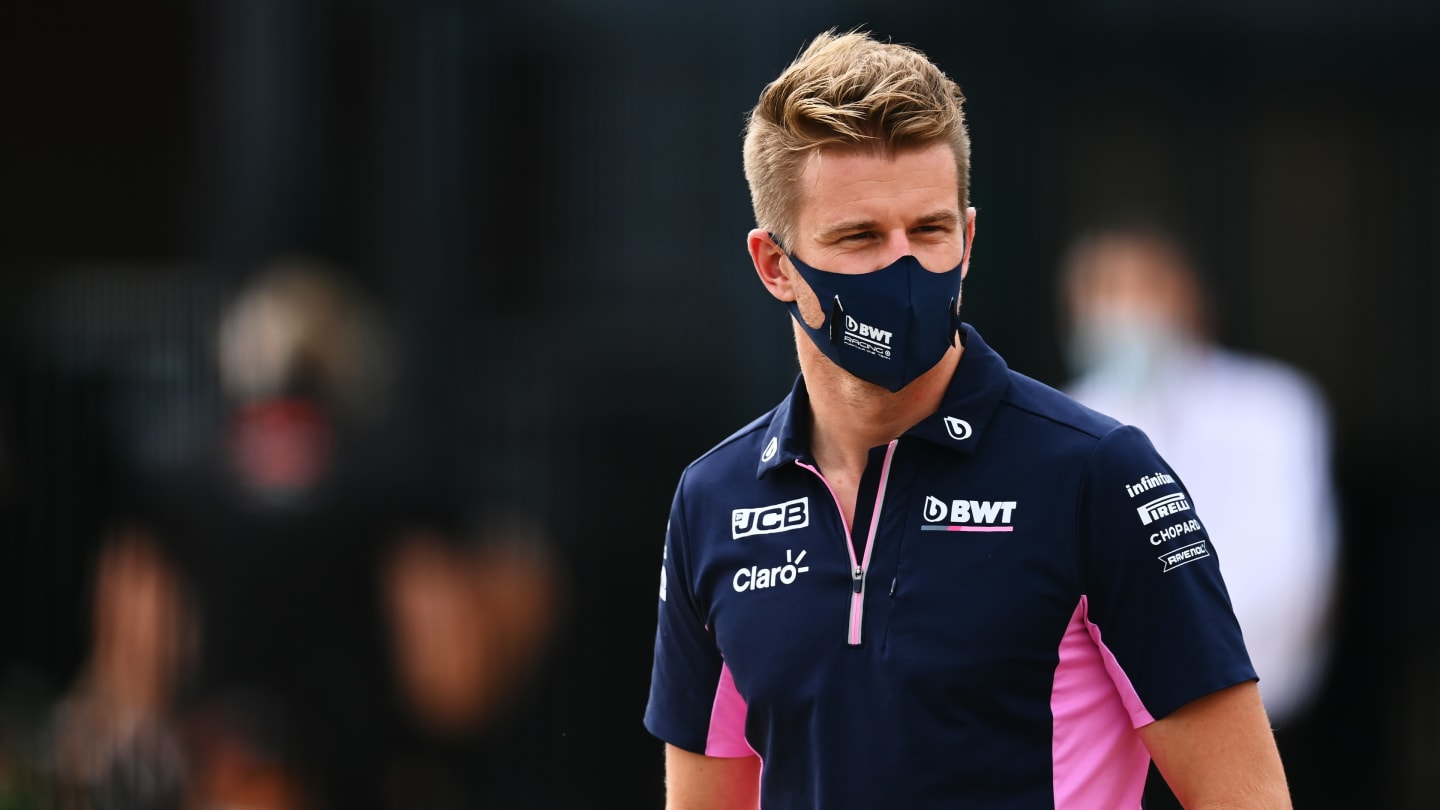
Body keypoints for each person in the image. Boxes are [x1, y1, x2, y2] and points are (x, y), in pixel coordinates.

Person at [643, 30, 1291, 809]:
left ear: (970, 236)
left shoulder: (1098, 473)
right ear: (774, 264)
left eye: (929, 230)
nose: (904, 267)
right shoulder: (713, 500)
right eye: (859, 237)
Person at [1058, 227, 1340, 806]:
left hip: (1263, 715)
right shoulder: (1066, 416)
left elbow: (1291, 578)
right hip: (1113, 736)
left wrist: (1209, 693)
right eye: (1099, 294)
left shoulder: (1272, 408)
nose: (1118, 313)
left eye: (1138, 290)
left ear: (1187, 298)